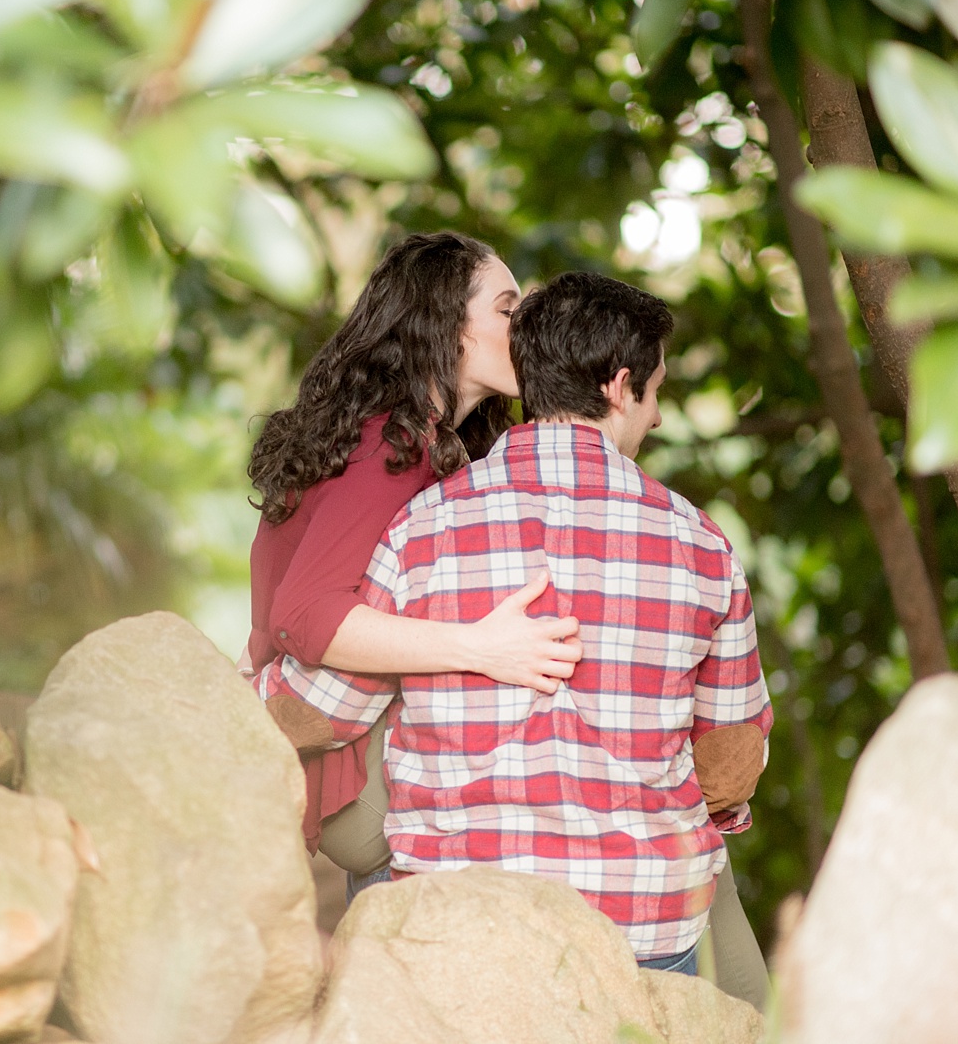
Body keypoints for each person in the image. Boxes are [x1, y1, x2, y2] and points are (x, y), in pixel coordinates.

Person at [256, 270, 774, 978]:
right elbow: (729, 758)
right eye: (656, 392)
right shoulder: (702, 545)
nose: (655, 416)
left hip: (458, 915)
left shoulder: (422, 525)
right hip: (643, 931)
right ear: (621, 386)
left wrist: (228, 696)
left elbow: (325, 707)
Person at [242, 231, 583, 886]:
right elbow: (305, 615)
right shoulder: (389, 448)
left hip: (337, 744)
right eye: (508, 309)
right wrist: (483, 647)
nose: (526, 327)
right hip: (335, 767)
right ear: (449, 325)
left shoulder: (424, 442)